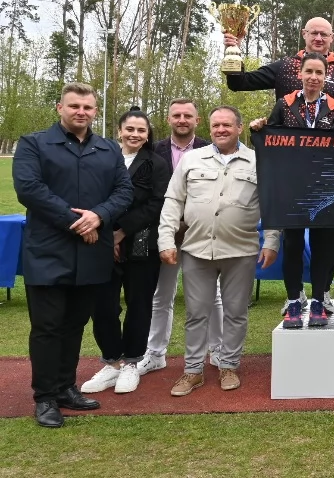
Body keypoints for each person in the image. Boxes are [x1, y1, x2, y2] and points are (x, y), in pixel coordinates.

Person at [14, 82, 133, 428]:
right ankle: (45, 397)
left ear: (95, 111)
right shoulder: (34, 144)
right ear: (60, 108)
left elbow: (123, 191)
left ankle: (66, 387)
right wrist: (78, 222)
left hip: (92, 253)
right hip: (48, 252)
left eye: (87, 107)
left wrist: (99, 216)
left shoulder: (108, 149)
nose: (81, 112)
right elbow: (30, 190)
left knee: (75, 324)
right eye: (74, 106)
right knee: (48, 327)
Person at [159, 106, 280, 397]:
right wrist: (166, 239)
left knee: (236, 313)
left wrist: (271, 241)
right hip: (196, 250)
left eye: (227, 125)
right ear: (210, 128)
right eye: (216, 125)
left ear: (239, 128)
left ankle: (229, 365)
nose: (221, 130)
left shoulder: (258, 161)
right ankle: (192, 371)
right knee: (196, 314)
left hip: (240, 251)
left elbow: (272, 204)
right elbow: (173, 200)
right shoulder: (191, 159)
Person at [249, 52, 334, 329]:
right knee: (293, 244)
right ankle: (293, 301)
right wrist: (260, 128)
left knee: (324, 245)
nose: (313, 77)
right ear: (300, 74)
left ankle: (319, 300)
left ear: (325, 77)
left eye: (319, 72)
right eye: (309, 71)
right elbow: (270, 142)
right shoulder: (285, 104)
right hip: (292, 186)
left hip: (325, 188)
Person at [80, 108, 170, 396]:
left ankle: (132, 362)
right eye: (130, 129)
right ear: (119, 130)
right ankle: (112, 361)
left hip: (142, 244)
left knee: (139, 304)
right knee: (103, 305)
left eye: (141, 130)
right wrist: (109, 234)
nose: (135, 134)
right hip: (101, 241)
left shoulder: (156, 163)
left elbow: (156, 204)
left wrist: (122, 232)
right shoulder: (102, 158)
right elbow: (91, 196)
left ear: (148, 134)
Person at [140, 99, 218, 375]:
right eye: (177, 115)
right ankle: (155, 353)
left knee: (214, 296)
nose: (182, 119)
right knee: (162, 296)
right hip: (166, 234)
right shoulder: (152, 151)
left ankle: (218, 350)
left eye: (187, 115)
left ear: (197, 120)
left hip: (202, 233)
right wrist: (172, 226)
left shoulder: (212, 149)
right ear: (169, 119)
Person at [224, 16, 334, 102]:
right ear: (304, 34)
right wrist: (233, 50)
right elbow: (239, 83)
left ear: (332, 38)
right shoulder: (285, 66)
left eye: (324, 34)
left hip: (330, 136)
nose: (318, 38)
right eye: (314, 33)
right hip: (288, 135)